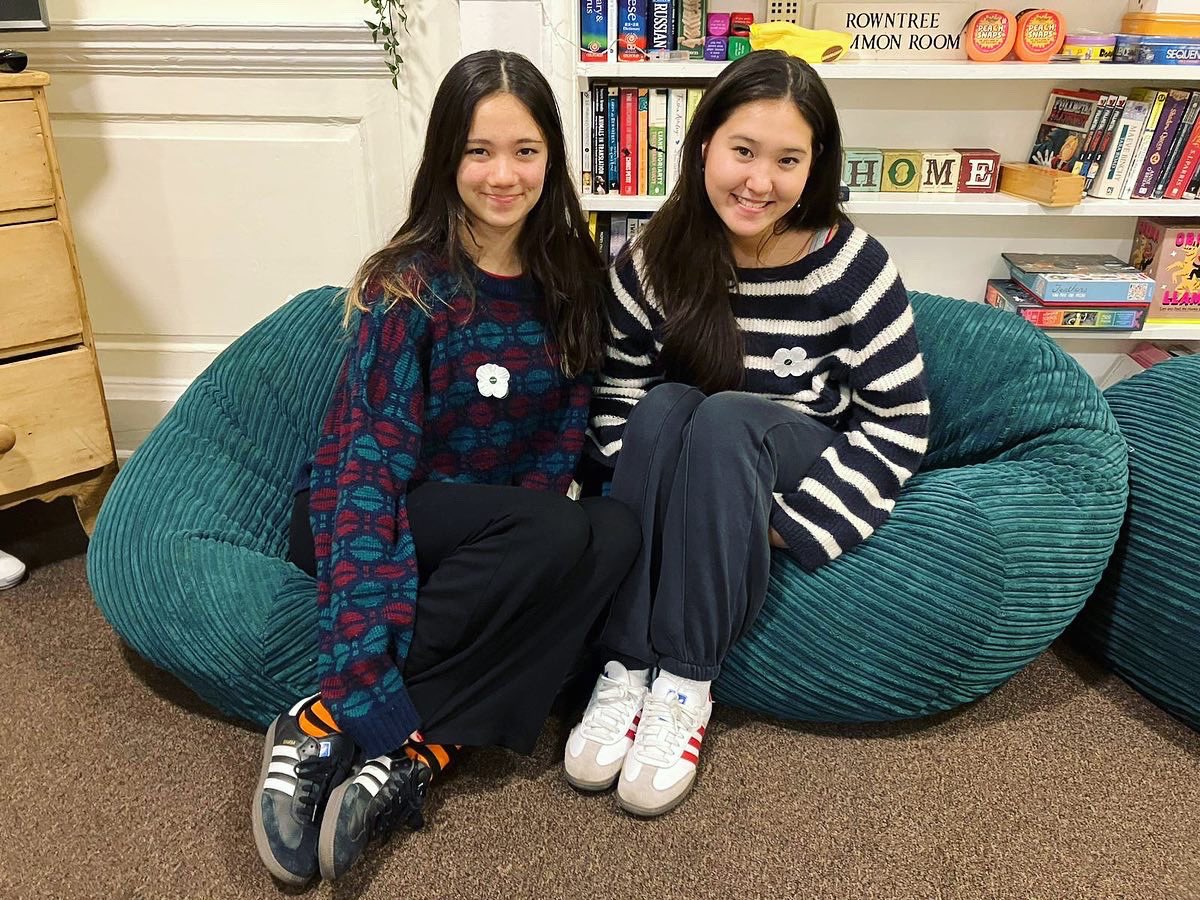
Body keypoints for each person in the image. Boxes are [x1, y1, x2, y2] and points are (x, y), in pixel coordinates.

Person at [251, 49, 640, 885]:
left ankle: (425, 748)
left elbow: (572, 441)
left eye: (525, 150)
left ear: (554, 159)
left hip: (496, 524)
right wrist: (359, 670)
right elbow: (363, 472)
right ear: (445, 161)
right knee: (554, 526)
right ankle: (323, 719)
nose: (503, 175)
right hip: (362, 513)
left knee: (610, 530)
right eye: (478, 151)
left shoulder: (575, 275)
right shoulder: (410, 287)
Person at [564, 49, 931, 818]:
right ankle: (627, 667)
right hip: (688, 456)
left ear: (815, 166)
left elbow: (899, 422)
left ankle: (687, 685)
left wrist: (782, 526)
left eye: (787, 160)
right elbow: (615, 388)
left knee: (725, 414)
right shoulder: (655, 258)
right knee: (665, 406)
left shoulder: (851, 266)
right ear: (704, 148)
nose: (759, 182)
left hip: (793, 457)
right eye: (742, 151)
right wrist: (661, 493)